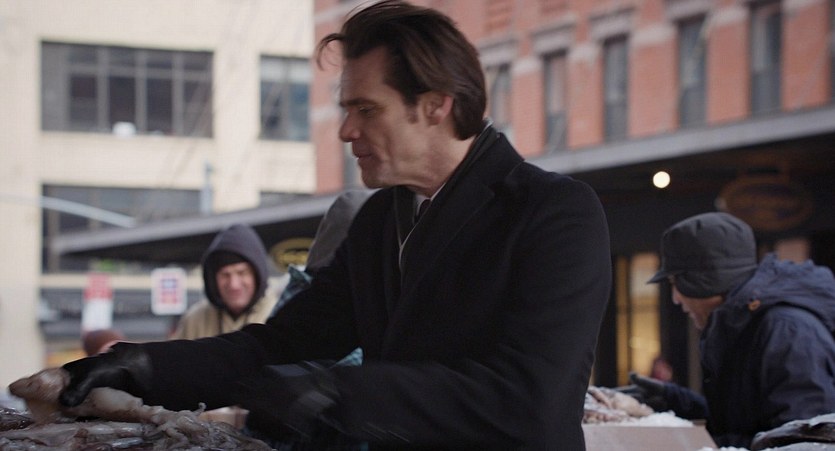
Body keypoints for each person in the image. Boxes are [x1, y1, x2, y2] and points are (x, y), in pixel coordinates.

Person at [57, 2, 612, 449]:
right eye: (346, 109)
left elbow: (529, 398)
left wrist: (335, 391)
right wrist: (142, 366)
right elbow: (283, 343)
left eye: (366, 110)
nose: (345, 131)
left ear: (436, 106)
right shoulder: (380, 219)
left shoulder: (554, 211)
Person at [626, 212, 835, 448]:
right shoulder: (741, 326)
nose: (675, 298)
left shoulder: (787, 332)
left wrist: (694, 445)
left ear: (704, 280)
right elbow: (745, 423)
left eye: (676, 283)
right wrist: (671, 400)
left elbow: (802, 441)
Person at [170, 223, 279, 340]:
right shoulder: (195, 321)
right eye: (225, 275)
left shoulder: (279, 317)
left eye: (242, 273)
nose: (234, 285)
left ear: (257, 275)